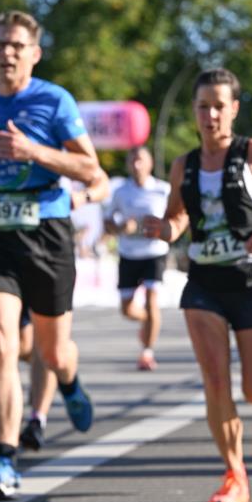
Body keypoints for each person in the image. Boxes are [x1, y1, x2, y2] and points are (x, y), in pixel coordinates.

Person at [0, 9, 99, 500]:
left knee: (52, 352)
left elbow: (89, 169)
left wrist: (33, 152)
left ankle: (71, 383)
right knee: (0, 344)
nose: (7, 53)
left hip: (46, 232)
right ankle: (4, 458)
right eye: (0, 45)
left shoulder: (54, 101)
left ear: (34, 54)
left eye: (17, 46)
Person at [143, 68, 252, 502]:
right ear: (194, 111)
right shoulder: (184, 164)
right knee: (215, 382)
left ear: (233, 109)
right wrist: (164, 228)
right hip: (205, 283)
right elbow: (177, 218)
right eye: (202, 106)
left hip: (251, 283)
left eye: (218, 105)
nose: (210, 114)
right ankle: (235, 475)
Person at [20, 169, 110, 451]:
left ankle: (38, 418)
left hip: (49, 246)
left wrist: (82, 197)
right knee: (23, 345)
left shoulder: (57, 132)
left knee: (48, 348)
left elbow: (99, 182)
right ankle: (66, 380)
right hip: (4, 246)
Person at [104, 147, 171, 370]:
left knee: (152, 300)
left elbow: (177, 218)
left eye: (140, 160)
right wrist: (122, 227)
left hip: (155, 252)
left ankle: (147, 352)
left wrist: (163, 229)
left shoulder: (163, 190)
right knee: (126, 309)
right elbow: (108, 223)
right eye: (132, 160)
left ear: (150, 163)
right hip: (129, 253)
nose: (136, 165)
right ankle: (147, 319)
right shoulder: (121, 191)